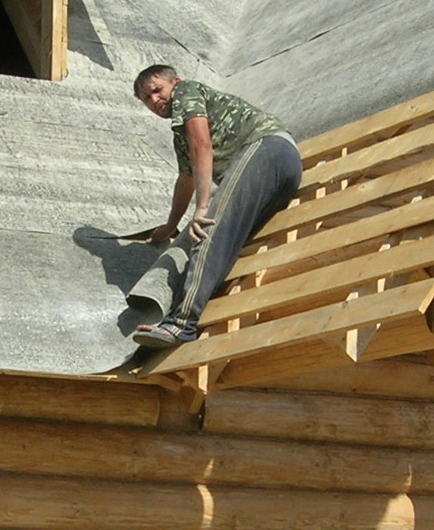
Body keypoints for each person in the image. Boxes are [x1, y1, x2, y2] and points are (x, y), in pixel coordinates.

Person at [128, 64, 303, 349]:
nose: (155, 101)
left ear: (175, 82)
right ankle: (195, 311)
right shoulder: (179, 135)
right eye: (147, 99)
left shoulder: (187, 91)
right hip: (279, 166)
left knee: (208, 227)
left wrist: (201, 208)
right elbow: (186, 180)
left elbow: (203, 145)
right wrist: (170, 227)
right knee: (228, 235)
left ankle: (181, 323)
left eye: (157, 90)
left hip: (267, 149)